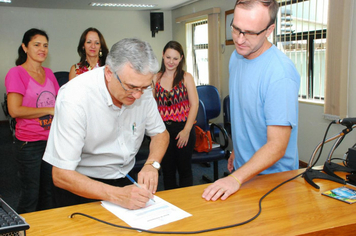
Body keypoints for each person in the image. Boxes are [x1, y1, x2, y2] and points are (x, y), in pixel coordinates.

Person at [43, 38, 169, 210]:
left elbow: (160, 133)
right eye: (131, 87)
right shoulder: (74, 97)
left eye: (144, 87)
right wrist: (117, 195)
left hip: (127, 179)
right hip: (82, 185)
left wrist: (152, 164)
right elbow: (61, 175)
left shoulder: (141, 88)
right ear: (109, 73)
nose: (138, 95)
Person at [202, 0, 300, 201]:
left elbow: (277, 146)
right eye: (236, 29)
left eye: (250, 32)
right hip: (245, 173)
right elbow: (245, 114)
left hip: (274, 181)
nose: (239, 39)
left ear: (269, 30)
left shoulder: (279, 74)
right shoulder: (236, 58)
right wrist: (238, 151)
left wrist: (235, 178)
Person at [5, 28, 60, 213]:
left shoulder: (49, 73)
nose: (42, 49)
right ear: (25, 47)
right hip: (29, 144)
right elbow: (14, 110)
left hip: (51, 141)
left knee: (49, 192)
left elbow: (61, 102)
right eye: (36, 44)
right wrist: (49, 109)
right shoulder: (16, 73)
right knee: (30, 195)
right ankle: (21, 231)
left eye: (45, 45)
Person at [153, 41, 199, 190]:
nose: (171, 62)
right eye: (168, 57)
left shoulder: (186, 77)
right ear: (162, 55)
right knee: (168, 171)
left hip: (183, 129)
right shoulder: (156, 78)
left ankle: (186, 204)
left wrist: (186, 131)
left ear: (181, 59)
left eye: (175, 58)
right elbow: (151, 107)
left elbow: (194, 105)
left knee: (185, 170)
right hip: (163, 131)